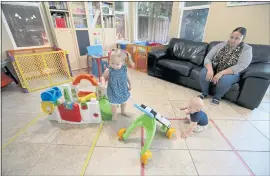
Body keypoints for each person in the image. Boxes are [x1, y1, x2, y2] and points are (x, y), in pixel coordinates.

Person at [199, 27, 253, 105]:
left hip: (232, 73)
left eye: (237, 38)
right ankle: (204, 93)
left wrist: (221, 73)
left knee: (224, 79)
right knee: (204, 72)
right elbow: (208, 58)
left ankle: (217, 97)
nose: (233, 40)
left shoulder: (247, 49)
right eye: (232, 37)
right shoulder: (221, 45)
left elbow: (242, 65)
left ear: (243, 38)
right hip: (215, 68)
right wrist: (210, 70)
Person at [100, 49, 134, 120]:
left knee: (124, 102)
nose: (114, 66)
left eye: (117, 64)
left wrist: (130, 84)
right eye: (112, 63)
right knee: (114, 105)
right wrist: (103, 84)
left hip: (123, 88)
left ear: (123, 63)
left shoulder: (124, 69)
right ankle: (114, 115)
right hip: (113, 90)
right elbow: (103, 77)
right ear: (109, 61)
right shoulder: (109, 70)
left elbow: (127, 76)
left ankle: (123, 112)